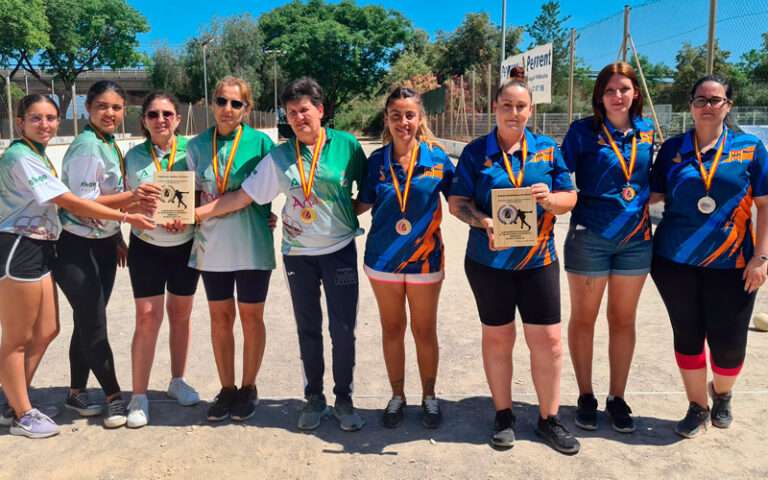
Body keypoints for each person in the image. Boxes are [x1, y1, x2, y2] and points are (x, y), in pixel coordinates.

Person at [195, 77, 368, 432]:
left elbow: (367, 193)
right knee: (308, 328)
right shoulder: (280, 156)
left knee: (343, 328)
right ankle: (314, 396)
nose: (299, 118)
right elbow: (244, 196)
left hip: (339, 251)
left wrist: (344, 216)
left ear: (320, 111)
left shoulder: (348, 146)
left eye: (305, 110)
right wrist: (197, 213)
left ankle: (344, 397)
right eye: (291, 113)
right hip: (298, 255)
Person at [0, 94, 153, 438]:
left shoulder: (35, 153)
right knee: (17, 337)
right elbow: (70, 201)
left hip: (41, 245)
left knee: (47, 330)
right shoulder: (21, 156)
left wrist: (115, 231)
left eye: (51, 118)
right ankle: (20, 411)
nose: (46, 125)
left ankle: (16, 397)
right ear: (20, 121)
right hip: (18, 246)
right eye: (36, 118)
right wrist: (127, 213)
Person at [448, 68, 580, 454]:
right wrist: (483, 220)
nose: (514, 112)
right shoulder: (476, 152)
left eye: (521, 106)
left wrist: (550, 200)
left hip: (538, 261)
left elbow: (570, 197)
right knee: (499, 337)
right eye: (507, 105)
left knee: (550, 342)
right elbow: (458, 204)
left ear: (530, 110)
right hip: (489, 262)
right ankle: (503, 414)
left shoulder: (547, 149)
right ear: (495, 108)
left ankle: (549, 419)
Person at [650, 75, 768, 438]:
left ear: (728, 106)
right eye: (700, 99)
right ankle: (696, 406)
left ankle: (723, 393)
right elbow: (650, 197)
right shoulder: (671, 150)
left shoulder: (750, 148)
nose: (707, 106)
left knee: (729, 346)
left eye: (715, 100)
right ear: (690, 105)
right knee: (687, 336)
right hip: (675, 263)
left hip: (733, 265)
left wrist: (761, 258)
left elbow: (765, 206)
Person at [54, 81, 161, 429]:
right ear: (88, 109)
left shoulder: (108, 143)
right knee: (94, 322)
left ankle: (75, 391)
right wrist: (132, 201)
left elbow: (106, 192)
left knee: (85, 321)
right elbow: (85, 202)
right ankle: (115, 397)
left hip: (101, 243)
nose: (110, 113)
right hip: (76, 245)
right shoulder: (87, 147)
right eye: (102, 106)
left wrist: (115, 236)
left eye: (116, 107)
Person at [561, 62, 655, 433]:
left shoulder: (648, 132)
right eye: (610, 90)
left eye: (625, 89)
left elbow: (656, 180)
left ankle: (617, 397)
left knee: (622, 320)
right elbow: (556, 173)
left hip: (635, 240)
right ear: (600, 96)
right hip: (590, 236)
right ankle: (586, 394)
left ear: (636, 94)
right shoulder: (582, 132)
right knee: (584, 319)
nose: (618, 96)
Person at [355, 87, 454, 429]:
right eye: (396, 115)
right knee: (392, 328)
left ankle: (429, 396)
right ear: (387, 119)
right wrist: (322, 208)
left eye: (410, 115)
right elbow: (362, 204)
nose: (403, 122)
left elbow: (461, 201)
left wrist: (493, 216)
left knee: (424, 330)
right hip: (383, 261)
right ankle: (397, 396)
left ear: (420, 119)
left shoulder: (437, 159)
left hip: (426, 260)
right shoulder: (376, 161)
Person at [186, 76, 275, 423]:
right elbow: (188, 193)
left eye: (236, 103)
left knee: (252, 318)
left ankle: (248, 386)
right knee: (220, 318)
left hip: (252, 244)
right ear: (212, 104)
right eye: (222, 101)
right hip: (211, 246)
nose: (227, 109)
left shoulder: (262, 145)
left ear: (247, 109)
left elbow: (267, 190)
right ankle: (226, 388)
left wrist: (272, 215)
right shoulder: (195, 147)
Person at [122, 92, 201, 428]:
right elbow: (122, 201)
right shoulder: (132, 156)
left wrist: (188, 216)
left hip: (185, 244)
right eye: (153, 114)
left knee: (180, 315)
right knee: (147, 318)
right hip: (146, 246)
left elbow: (208, 193)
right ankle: (139, 395)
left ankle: (177, 380)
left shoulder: (193, 152)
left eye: (167, 114)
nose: (160, 120)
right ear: (144, 120)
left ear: (178, 119)